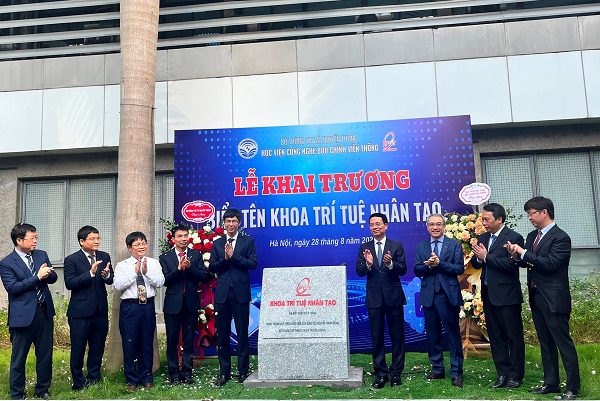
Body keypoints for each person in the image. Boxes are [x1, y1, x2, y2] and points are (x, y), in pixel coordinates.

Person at [506, 196, 580, 400]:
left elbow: (550, 264)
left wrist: (523, 253)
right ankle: (551, 383)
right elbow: (530, 262)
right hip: (537, 296)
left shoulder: (561, 237)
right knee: (545, 342)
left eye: (532, 213)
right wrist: (515, 255)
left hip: (554, 298)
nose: (529, 217)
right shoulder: (532, 236)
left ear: (544, 212)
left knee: (563, 343)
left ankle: (573, 387)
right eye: (528, 214)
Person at [0, 223, 58, 400]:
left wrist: (48, 274)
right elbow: (13, 288)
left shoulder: (41, 255)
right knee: (19, 357)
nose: (35, 241)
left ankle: (43, 390)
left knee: (45, 354)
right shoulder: (7, 263)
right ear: (19, 240)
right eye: (31, 238)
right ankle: (17, 393)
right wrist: (37, 277)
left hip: (44, 311)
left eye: (36, 237)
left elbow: (53, 278)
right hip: (23, 316)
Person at [471, 203, 525, 389]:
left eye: (487, 219)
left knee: (513, 336)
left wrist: (486, 257)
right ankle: (502, 373)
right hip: (488, 295)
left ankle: (515, 375)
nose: (484, 222)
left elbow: (511, 265)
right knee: (495, 337)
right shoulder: (483, 237)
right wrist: (479, 257)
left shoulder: (515, 237)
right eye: (482, 219)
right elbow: (477, 264)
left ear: (499, 219)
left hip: (508, 296)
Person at [356, 212, 408, 388]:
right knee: (376, 337)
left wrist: (391, 264)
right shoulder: (365, 247)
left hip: (393, 297)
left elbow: (403, 270)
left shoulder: (396, 246)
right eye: (371, 224)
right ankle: (380, 374)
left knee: (397, 337)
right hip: (374, 299)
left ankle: (396, 373)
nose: (375, 227)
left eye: (378, 224)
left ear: (386, 226)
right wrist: (369, 263)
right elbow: (359, 271)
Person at [414, 214, 465, 388]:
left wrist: (440, 263)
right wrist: (428, 265)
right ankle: (437, 369)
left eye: (438, 224)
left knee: (452, 334)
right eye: (431, 225)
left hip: (448, 295)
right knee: (433, 334)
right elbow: (416, 269)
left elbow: (459, 268)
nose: (435, 227)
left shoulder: (454, 245)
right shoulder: (421, 246)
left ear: (444, 226)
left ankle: (456, 372)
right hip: (429, 296)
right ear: (427, 227)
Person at [209, 208, 258, 386]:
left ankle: (243, 372)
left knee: (242, 334)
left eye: (234, 221)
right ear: (224, 223)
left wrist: (234, 256)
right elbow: (213, 267)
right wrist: (225, 258)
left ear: (239, 223)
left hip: (241, 294)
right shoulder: (217, 243)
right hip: (222, 295)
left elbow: (253, 263)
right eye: (228, 221)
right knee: (222, 335)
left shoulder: (248, 241)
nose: (231, 224)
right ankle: (224, 373)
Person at [159, 224, 211, 385]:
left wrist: (189, 268)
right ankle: (173, 373)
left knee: (188, 340)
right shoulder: (165, 257)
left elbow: (204, 276)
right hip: (172, 305)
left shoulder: (196, 255)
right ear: (173, 239)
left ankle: (187, 372)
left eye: (185, 236)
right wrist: (179, 269)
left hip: (190, 304)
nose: (183, 239)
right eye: (179, 236)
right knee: (172, 340)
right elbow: (165, 280)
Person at [63, 225, 114, 391]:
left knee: (97, 346)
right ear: (82, 241)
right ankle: (78, 382)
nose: (97, 241)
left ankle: (94, 378)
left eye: (98, 238)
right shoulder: (71, 260)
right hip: (80, 312)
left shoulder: (104, 256)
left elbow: (110, 279)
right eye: (92, 239)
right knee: (78, 347)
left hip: (100, 310)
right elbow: (70, 283)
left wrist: (106, 276)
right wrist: (90, 273)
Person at [113, 231, 165, 391]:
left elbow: (160, 281)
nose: (141, 246)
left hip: (147, 306)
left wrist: (146, 272)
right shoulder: (122, 265)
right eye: (137, 244)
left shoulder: (154, 263)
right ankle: (131, 379)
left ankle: (147, 377)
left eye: (143, 243)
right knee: (130, 343)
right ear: (129, 248)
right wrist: (135, 273)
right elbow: (118, 285)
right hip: (130, 307)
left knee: (146, 342)